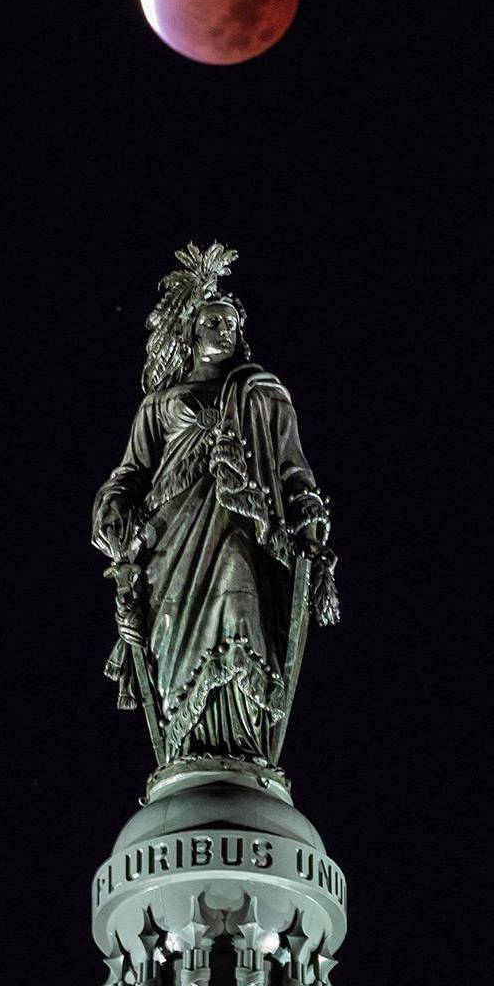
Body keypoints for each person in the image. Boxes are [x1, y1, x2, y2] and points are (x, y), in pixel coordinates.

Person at [92, 243, 338, 766]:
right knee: (175, 643)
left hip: (243, 525)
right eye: (211, 321)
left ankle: (245, 748)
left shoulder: (263, 394)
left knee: (238, 589)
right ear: (189, 330)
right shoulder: (157, 406)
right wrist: (114, 517)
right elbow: (130, 474)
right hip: (169, 541)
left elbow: (294, 469)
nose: (222, 331)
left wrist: (309, 518)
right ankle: (186, 751)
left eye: (229, 323)